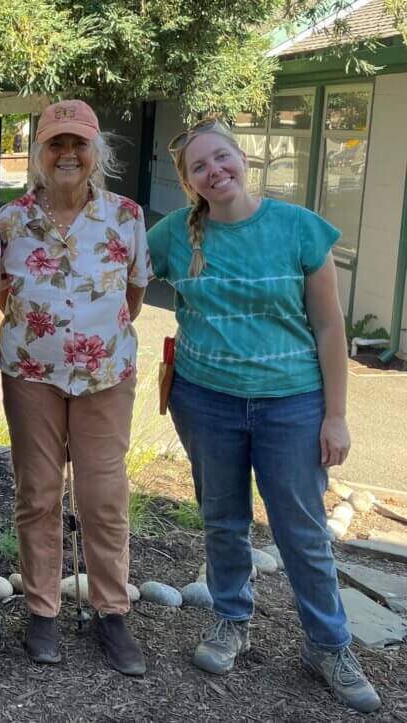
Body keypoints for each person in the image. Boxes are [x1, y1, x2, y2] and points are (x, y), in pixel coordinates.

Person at [148, 117, 380, 712]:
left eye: (222, 158)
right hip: (206, 399)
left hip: (293, 404)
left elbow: (330, 327)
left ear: (243, 158)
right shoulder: (174, 234)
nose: (214, 171)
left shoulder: (298, 228)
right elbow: (111, 272)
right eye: (199, 167)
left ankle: (328, 644)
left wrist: (336, 416)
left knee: (301, 531)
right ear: (189, 181)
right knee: (222, 519)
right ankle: (232, 620)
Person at [0, 100, 151, 674]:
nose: (67, 154)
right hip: (31, 376)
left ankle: (112, 612)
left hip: (105, 376)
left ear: (95, 153)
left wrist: (94, 334)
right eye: (55, 143)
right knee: (36, 492)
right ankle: (42, 611)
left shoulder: (126, 215)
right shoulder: (9, 220)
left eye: (78, 144)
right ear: (39, 153)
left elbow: (133, 295)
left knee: (102, 497)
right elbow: (1, 292)